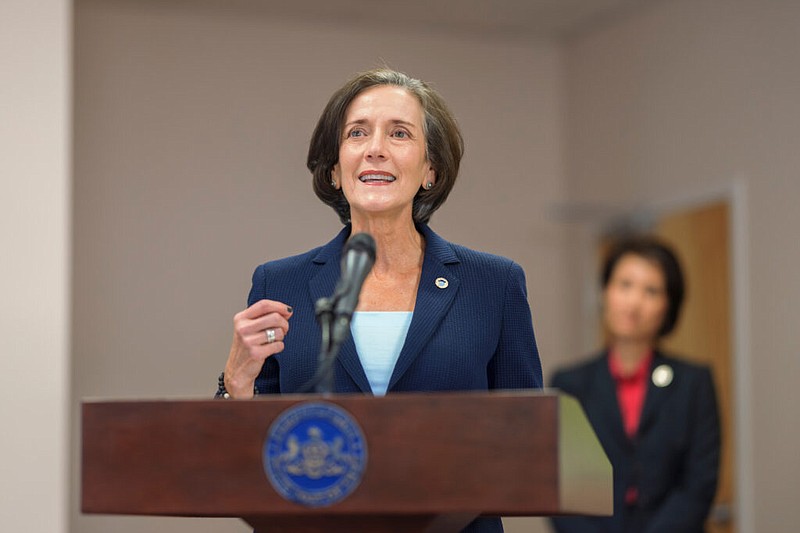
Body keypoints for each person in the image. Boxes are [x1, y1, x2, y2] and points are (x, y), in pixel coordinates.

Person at [216, 68, 543, 533]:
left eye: (399, 133)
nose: (375, 148)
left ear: (431, 169)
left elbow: (528, 441)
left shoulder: (494, 284)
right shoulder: (279, 282)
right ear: (334, 167)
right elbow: (240, 458)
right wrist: (236, 385)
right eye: (357, 133)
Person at [550, 237, 720, 533]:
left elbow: (698, 485)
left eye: (651, 291)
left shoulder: (693, 384)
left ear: (669, 305)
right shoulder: (569, 385)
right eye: (624, 285)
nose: (634, 302)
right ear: (605, 292)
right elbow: (560, 486)